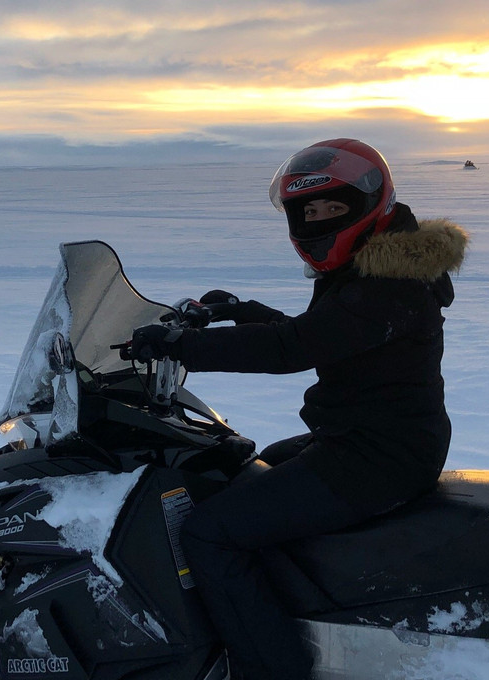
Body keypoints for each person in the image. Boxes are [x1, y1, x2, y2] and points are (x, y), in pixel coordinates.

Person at [129, 138, 468, 680]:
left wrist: (181, 348)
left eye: (332, 207)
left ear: (367, 203)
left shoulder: (391, 285)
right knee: (242, 470)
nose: (318, 219)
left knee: (211, 533)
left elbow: (294, 347)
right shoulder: (373, 266)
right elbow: (318, 334)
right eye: (307, 210)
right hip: (368, 437)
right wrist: (238, 311)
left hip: (379, 456)